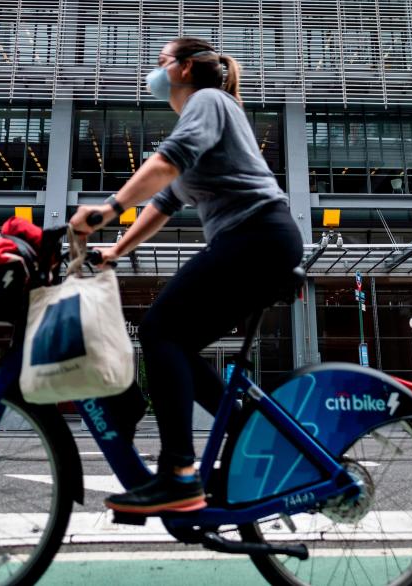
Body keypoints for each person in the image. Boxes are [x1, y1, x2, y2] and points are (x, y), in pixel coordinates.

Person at [69, 38, 302, 516]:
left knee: (160, 330)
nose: (154, 72)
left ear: (186, 68)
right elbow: (163, 203)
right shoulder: (205, 114)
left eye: (160, 62)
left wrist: (108, 209)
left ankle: (178, 474)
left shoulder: (208, 102)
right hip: (252, 240)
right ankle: (247, 431)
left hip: (256, 236)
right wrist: (114, 250)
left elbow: (166, 162)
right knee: (175, 342)